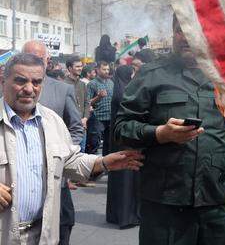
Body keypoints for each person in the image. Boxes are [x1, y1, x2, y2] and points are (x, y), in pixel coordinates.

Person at [113, 14, 225, 245]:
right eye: (180, 30)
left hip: (216, 207)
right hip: (165, 209)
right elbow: (121, 129)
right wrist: (160, 134)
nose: (186, 36)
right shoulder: (151, 75)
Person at [0, 53, 144, 245]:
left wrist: (102, 162)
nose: (29, 89)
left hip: (43, 235)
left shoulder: (52, 121)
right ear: (3, 81)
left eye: (36, 82)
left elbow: (69, 160)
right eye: (20, 81)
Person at [22, 40, 84, 244]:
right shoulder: (9, 88)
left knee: (61, 229)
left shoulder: (62, 89)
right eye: (29, 56)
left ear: (48, 61)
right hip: (19, 181)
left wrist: (65, 159)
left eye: (39, 57)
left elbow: (76, 128)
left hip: (55, 180)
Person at [106, 65, 140, 228]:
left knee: (117, 178)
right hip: (127, 140)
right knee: (127, 178)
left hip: (116, 141)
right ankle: (127, 216)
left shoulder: (117, 91)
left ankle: (115, 214)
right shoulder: (127, 93)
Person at [86, 61, 114, 155]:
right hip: (98, 118)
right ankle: (93, 166)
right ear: (97, 70)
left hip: (110, 118)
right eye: (104, 69)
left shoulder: (111, 83)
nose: (106, 71)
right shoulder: (92, 84)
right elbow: (87, 103)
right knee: (94, 143)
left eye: (108, 69)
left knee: (108, 144)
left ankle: (106, 166)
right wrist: (98, 97)